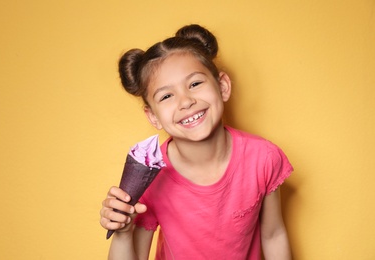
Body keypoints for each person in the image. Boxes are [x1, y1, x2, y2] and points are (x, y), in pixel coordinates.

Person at [100, 24, 293, 260]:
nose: (186, 101)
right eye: (167, 96)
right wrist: (122, 232)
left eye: (194, 84)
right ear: (153, 116)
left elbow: (273, 235)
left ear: (222, 86)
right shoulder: (150, 176)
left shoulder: (263, 158)